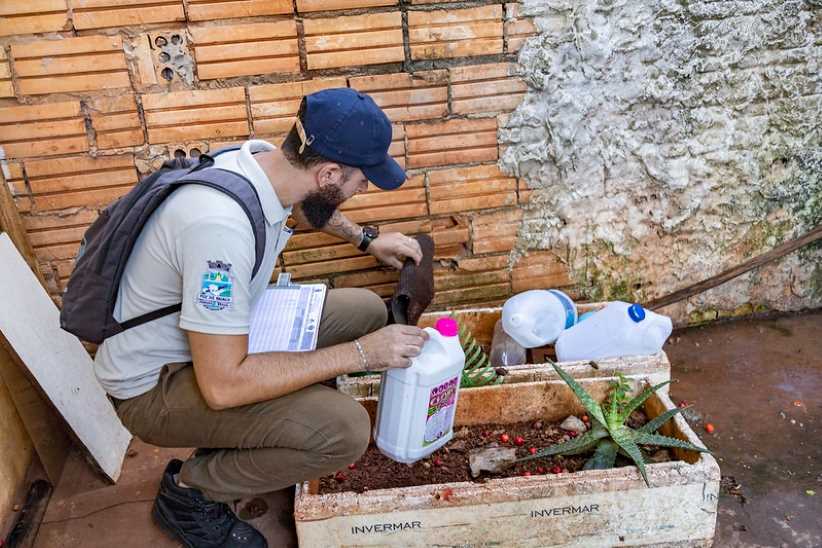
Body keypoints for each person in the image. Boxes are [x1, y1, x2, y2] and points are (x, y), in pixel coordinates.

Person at [94, 88, 428, 547]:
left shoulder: (258, 160)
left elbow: (304, 206)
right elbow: (224, 385)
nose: (364, 189)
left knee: (366, 309)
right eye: (361, 180)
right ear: (329, 172)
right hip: (156, 385)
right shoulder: (220, 230)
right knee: (345, 431)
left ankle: (271, 424)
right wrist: (358, 354)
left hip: (215, 337)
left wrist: (365, 239)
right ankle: (191, 492)